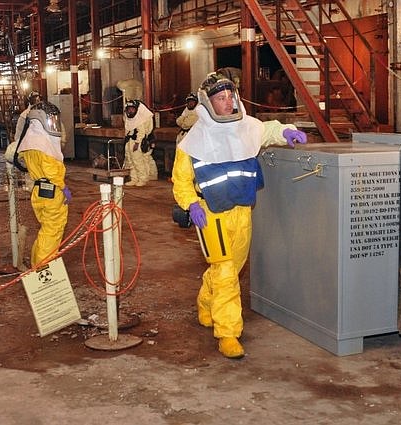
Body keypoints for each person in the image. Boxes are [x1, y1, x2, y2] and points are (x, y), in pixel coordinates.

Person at [172, 72, 307, 359]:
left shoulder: (246, 127)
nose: (228, 102)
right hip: (211, 214)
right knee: (225, 273)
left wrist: (286, 132)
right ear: (208, 104)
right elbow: (181, 180)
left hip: (243, 211)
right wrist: (191, 204)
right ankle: (228, 332)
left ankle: (206, 302)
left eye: (230, 96)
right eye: (221, 98)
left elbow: (267, 130)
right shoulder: (193, 141)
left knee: (232, 268)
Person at [16, 101, 72, 267]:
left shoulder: (30, 143)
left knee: (45, 230)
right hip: (52, 192)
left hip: (39, 191)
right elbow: (51, 171)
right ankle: (43, 269)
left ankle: (36, 265)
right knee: (52, 231)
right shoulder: (43, 145)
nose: (53, 125)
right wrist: (64, 188)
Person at [123, 99, 157, 186]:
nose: (130, 111)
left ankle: (142, 179)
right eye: (129, 109)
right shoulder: (129, 118)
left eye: (132, 109)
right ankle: (134, 178)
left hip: (136, 143)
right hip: (129, 141)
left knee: (138, 161)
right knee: (130, 161)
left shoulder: (140, 119)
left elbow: (141, 132)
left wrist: (137, 143)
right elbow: (127, 130)